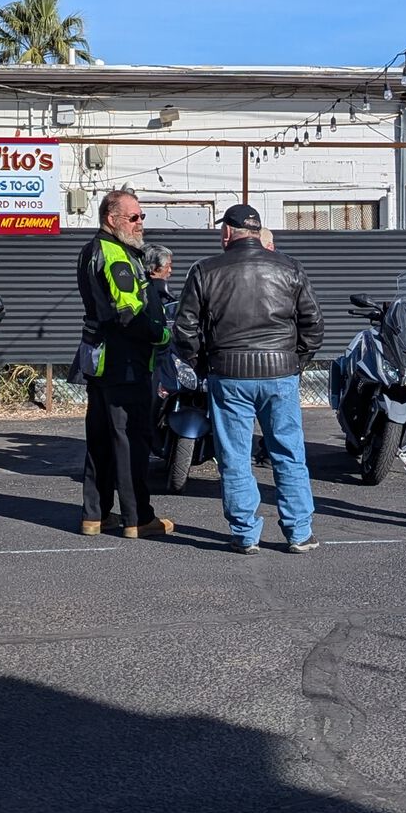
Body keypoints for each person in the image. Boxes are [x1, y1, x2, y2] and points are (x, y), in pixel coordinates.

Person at [172, 203, 323, 554]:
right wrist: (294, 361)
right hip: (280, 372)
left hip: (228, 373)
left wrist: (201, 364)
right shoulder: (290, 268)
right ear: (257, 231)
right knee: (288, 452)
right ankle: (299, 533)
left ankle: (244, 533)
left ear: (227, 232)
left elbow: (185, 329)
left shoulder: (205, 270)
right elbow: (313, 325)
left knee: (235, 456)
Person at [75, 189, 174, 539]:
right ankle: (137, 517)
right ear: (110, 219)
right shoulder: (114, 253)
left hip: (100, 362)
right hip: (125, 364)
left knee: (100, 440)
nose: (140, 223)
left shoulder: (92, 250)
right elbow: (129, 313)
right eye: (133, 217)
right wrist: (162, 336)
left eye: (141, 217)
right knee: (130, 439)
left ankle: (95, 515)